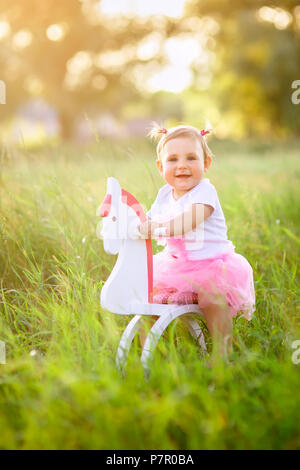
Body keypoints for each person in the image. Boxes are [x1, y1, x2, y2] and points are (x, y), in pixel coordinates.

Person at [138, 124, 255, 360]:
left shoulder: (205, 192)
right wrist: (138, 224)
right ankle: (150, 351)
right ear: (161, 167)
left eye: (191, 158)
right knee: (147, 297)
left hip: (211, 265)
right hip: (176, 265)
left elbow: (186, 222)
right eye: (172, 159)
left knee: (211, 297)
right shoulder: (164, 194)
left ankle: (222, 354)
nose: (181, 165)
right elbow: (149, 219)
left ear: (206, 164)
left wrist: (155, 228)